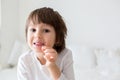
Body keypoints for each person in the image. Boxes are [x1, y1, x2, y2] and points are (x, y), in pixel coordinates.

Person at [17, 7, 75, 80]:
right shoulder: (24, 60)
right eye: (33, 30)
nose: (37, 35)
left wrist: (52, 66)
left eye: (46, 30)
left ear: (57, 37)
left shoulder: (65, 55)